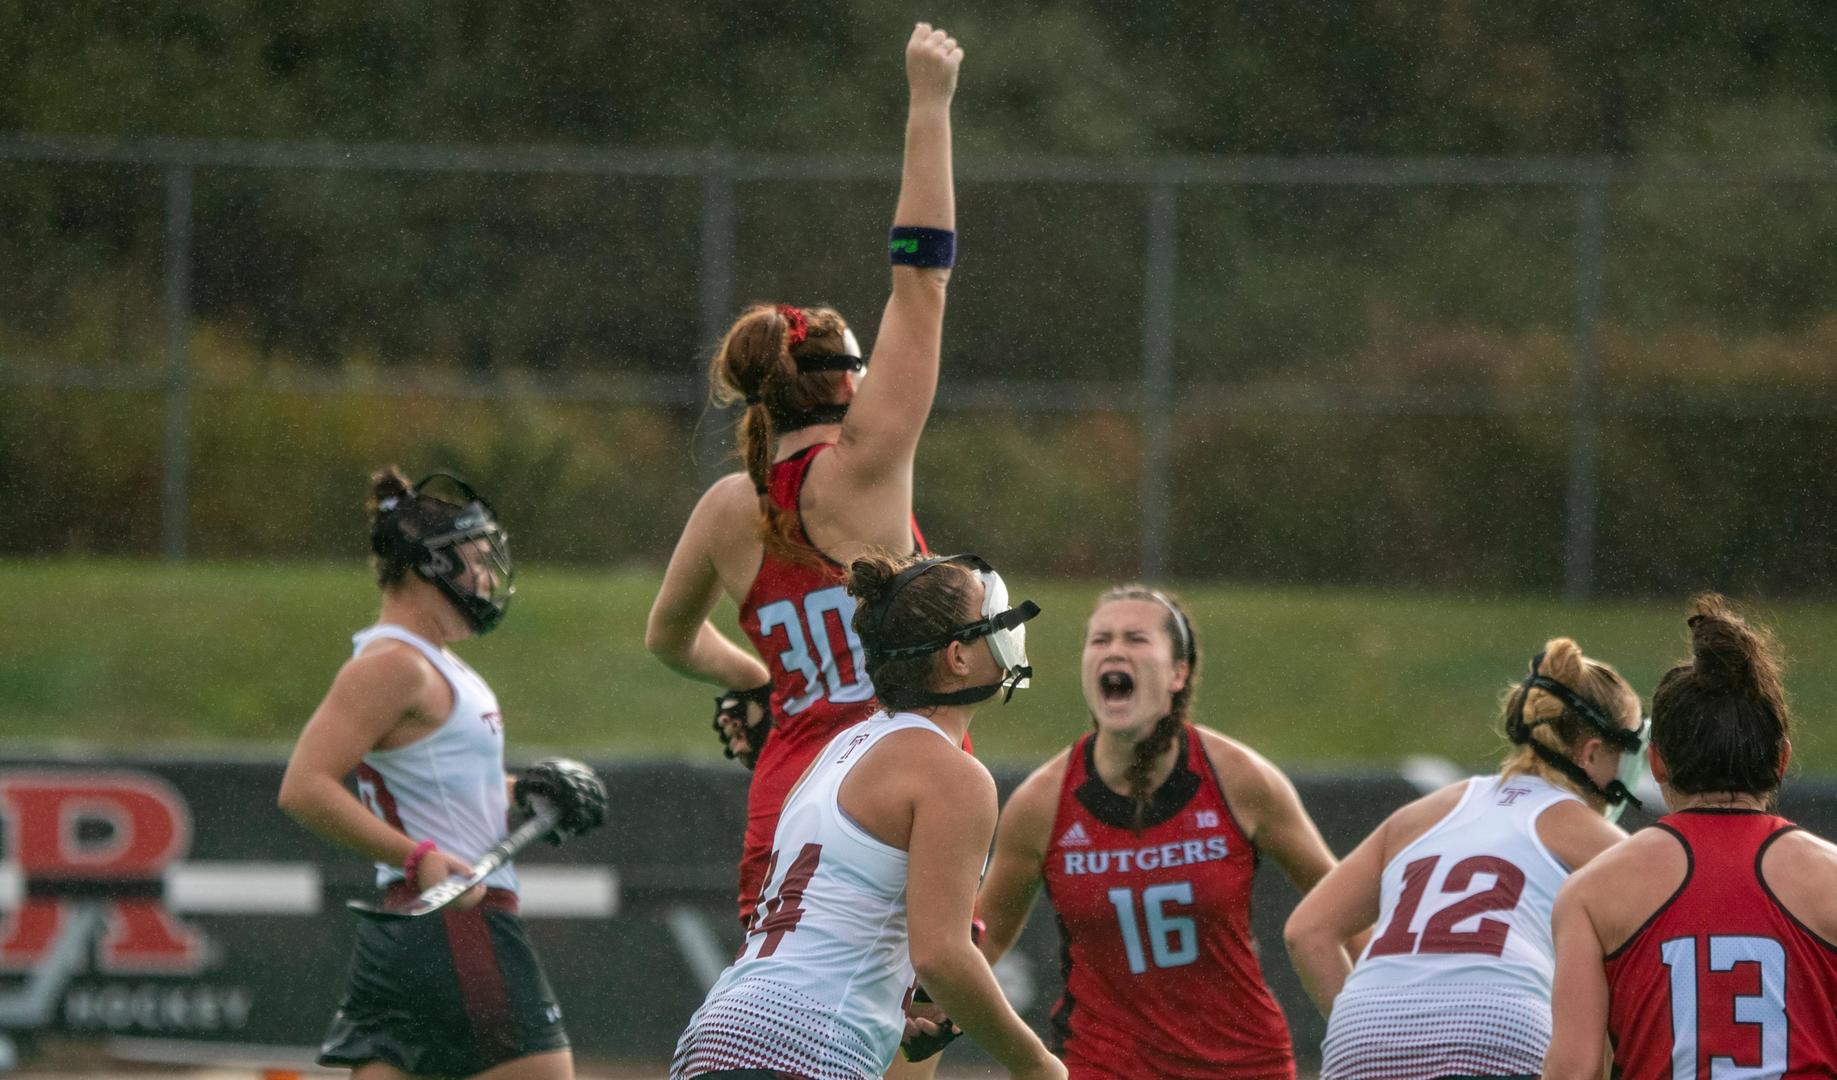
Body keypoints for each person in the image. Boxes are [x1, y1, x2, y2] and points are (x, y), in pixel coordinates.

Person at [645, 21, 962, 932]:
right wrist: (928, 103)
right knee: (900, 1040)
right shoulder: (867, 466)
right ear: (848, 381)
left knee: (778, 1035)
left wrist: (759, 683)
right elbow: (922, 278)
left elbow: (669, 640)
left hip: (785, 801)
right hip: (886, 791)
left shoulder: (725, 508)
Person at [671, 550, 1064, 1080]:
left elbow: (834, 915)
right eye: (994, 618)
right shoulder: (955, 775)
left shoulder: (838, 749)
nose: (1010, 627)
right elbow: (942, 956)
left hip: (717, 1036)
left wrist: (886, 1007)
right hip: (803, 1051)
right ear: (958, 657)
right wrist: (1037, 1065)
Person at [278, 467, 608, 1080]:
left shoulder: (434, 664)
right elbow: (305, 786)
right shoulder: (393, 666)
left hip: (417, 928)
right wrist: (417, 856)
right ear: (426, 566)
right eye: (473, 560)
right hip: (458, 921)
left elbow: (439, 788)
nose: (486, 576)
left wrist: (524, 793)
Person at [973, 586, 1340, 1079]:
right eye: (1100, 639)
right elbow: (978, 945)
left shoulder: (1240, 779)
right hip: (1101, 1066)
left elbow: (1344, 908)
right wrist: (926, 1016)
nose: (1114, 650)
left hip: (1244, 1065)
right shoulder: (1042, 804)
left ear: (1178, 673)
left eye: (1137, 638)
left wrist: (1388, 1026)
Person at [1284, 637, 1645, 1080]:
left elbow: (1307, 931)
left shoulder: (1422, 814)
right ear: (1591, 753)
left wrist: (1368, 1029)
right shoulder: (1601, 842)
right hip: (1499, 1034)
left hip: (1361, 1040)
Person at [1544, 595, 1837, 1079]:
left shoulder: (1593, 893)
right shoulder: (1828, 879)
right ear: (1781, 760)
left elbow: (1573, 1070)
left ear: (1656, 762)